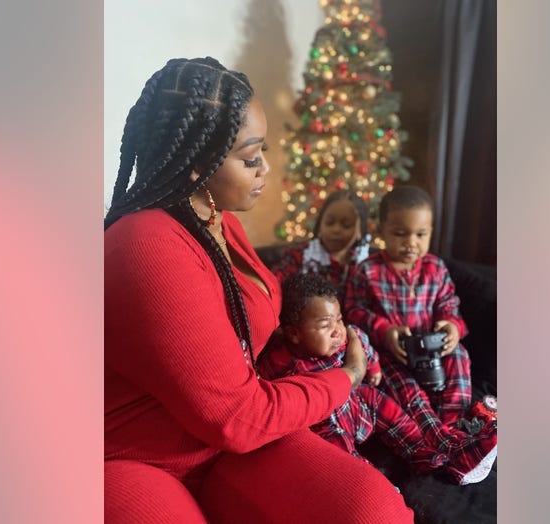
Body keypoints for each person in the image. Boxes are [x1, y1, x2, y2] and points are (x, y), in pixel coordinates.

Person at [104, 57, 413, 522]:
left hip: (231, 444)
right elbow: (236, 417)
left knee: (373, 511)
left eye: (262, 150)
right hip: (139, 456)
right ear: (196, 165)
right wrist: (343, 377)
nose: (265, 169)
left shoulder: (215, 220)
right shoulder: (145, 244)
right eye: (250, 158)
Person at [258, 272, 494, 481]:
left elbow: (365, 348)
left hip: (357, 407)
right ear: (294, 334)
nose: (337, 330)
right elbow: (266, 393)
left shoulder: (348, 338)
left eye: (339, 319)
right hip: (326, 424)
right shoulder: (281, 361)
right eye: (325, 325)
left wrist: (373, 369)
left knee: (385, 405)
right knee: (334, 453)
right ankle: (368, 479)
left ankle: (421, 452)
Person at [345, 185, 497, 484]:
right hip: (395, 352)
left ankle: (454, 429)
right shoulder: (368, 270)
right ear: (382, 230)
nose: (411, 243)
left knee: (460, 355)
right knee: (406, 390)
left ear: (430, 232)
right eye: (401, 234)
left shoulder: (435, 268)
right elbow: (353, 311)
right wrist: (385, 331)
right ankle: (443, 445)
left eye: (420, 234)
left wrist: (451, 325)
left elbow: (448, 303)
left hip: (432, 349)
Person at [270, 190, 371, 304]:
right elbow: (272, 287)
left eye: (346, 225)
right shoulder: (299, 256)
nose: (336, 229)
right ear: (319, 224)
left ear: (360, 231)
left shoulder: (365, 264)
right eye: (329, 222)